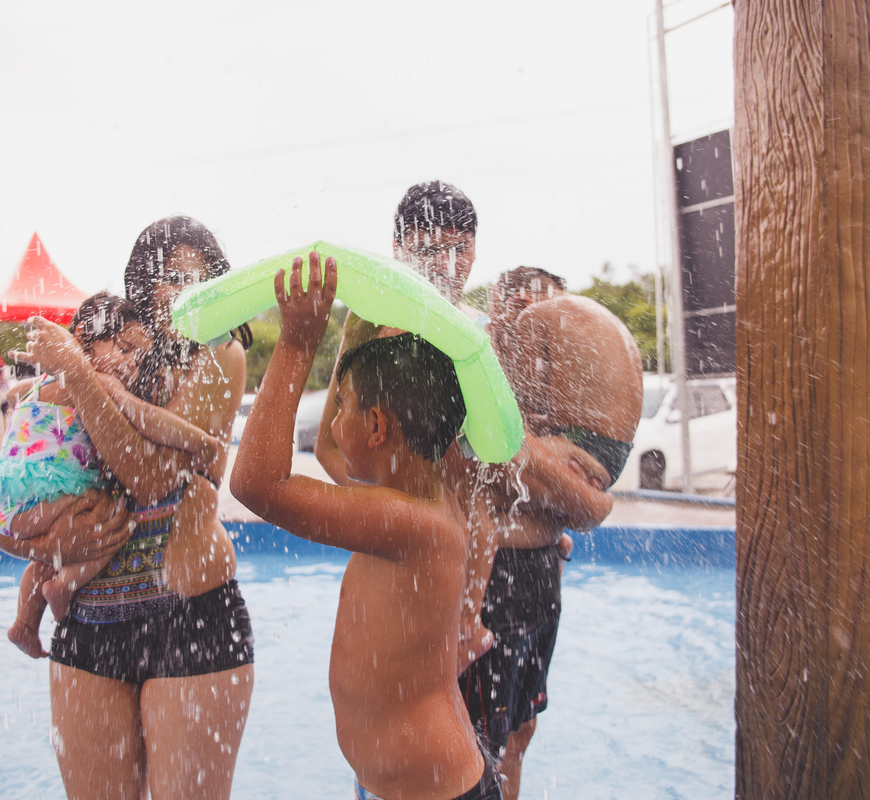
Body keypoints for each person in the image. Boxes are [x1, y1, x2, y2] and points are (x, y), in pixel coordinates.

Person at [0, 216, 253, 800]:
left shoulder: (219, 353)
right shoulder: (117, 352)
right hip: (90, 619)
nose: (182, 293)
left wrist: (81, 375)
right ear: (142, 285)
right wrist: (43, 542)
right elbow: (1, 509)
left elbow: (151, 480)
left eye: (197, 280)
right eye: (170, 279)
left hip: (190, 617)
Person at [231, 252, 501, 800]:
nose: (332, 422)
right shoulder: (413, 500)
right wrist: (358, 321)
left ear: (377, 426)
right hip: (403, 785)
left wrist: (298, 342)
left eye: (342, 406)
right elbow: (330, 452)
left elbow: (255, 484)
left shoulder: (408, 524)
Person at [456, 269, 643, 800]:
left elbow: (506, 429)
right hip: (533, 582)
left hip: (513, 595)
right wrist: (584, 506)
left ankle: (468, 622)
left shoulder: (525, 333)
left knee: (501, 738)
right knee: (507, 736)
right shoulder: (569, 329)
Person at [0, 293, 224, 658]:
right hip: (49, 491)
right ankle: (64, 586)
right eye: (124, 349)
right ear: (80, 340)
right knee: (113, 517)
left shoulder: (37, 386)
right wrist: (200, 441)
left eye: (138, 359)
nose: (130, 365)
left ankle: (25, 623)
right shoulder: (98, 382)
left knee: (44, 559)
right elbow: (147, 419)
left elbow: (13, 395)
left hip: (4, 502)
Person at [315, 180, 480, 485]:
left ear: (475, 249)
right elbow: (329, 448)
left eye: (458, 249)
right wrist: (395, 508)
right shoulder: (371, 325)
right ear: (397, 248)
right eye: (427, 250)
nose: (445, 265)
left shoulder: (487, 332)